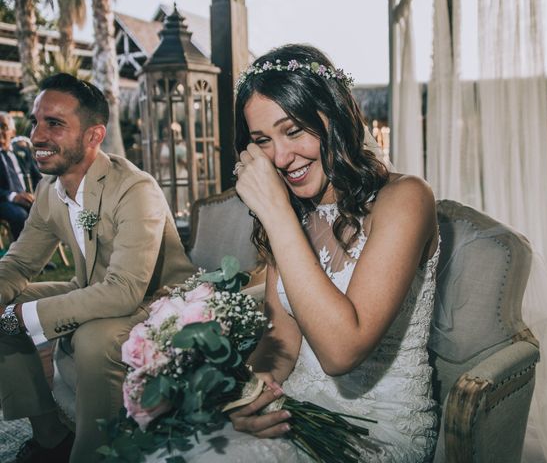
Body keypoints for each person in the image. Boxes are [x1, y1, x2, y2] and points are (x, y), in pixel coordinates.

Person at [153, 44, 440, 462]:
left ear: (335, 118)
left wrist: (275, 212)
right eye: (262, 141)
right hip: (297, 408)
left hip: (379, 430)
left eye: (293, 130)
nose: (281, 158)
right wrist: (251, 396)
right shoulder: (294, 214)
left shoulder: (406, 199)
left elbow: (342, 352)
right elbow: (279, 341)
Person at [0, 73, 196, 463]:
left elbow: (124, 289)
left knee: (92, 337)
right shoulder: (48, 191)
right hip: (94, 289)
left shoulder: (135, 189)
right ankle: (51, 436)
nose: (37, 136)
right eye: (35, 122)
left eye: (54, 124)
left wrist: (22, 317)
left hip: (156, 301)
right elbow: (20, 262)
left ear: (93, 136)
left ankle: (97, 454)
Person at [0, 112, 41, 240]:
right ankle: (23, 258)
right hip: (5, 201)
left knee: (48, 211)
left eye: (3, 127)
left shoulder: (22, 151)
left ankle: (40, 257)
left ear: (13, 132)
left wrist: (38, 195)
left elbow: (37, 178)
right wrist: (14, 197)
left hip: (28, 198)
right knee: (20, 215)